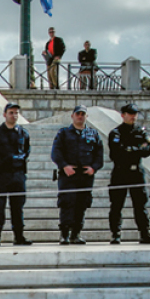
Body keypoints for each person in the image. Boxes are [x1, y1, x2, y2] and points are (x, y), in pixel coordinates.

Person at [107, 104, 150, 245]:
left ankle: (144, 233)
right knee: (117, 204)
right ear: (123, 115)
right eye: (130, 113)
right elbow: (117, 153)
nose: (133, 116)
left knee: (140, 204)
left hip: (136, 172)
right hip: (120, 171)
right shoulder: (116, 133)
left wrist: (130, 149)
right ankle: (115, 234)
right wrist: (137, 149)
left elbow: (148, 149)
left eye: (135, 114)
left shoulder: (141, 132)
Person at [51, 105, 103, 245]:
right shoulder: (64, 133)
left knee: (82, 204)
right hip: (68, 175)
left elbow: (99, 154)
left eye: (83, 114)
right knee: (67, 203)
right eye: (78, 114)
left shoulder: (93, 134)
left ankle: (76, 233)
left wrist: (94, 168)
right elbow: (56, 152)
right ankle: (64, 234)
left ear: (86, 117)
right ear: (72, 116)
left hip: (85, 175)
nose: (80, 116)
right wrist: (64, 166)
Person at [0, 102, 32, 246]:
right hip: (1, 175)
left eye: (16, 113)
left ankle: (19, 236)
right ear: (5, 114)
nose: (14, 115)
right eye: (11, 112)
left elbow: (27, 151)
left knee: (18, 208)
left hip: (18, 175)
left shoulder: (23, 133)